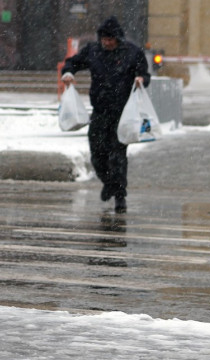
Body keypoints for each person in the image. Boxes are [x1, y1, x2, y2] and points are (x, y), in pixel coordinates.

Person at [61, 16, 150, 214]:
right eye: (104, 39)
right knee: (97, 155)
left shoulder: (132, 53)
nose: (107, 43)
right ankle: (109, 183)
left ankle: (120, 196)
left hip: (122, 114)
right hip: (100, 112)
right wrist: (68, 73)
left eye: (110, 40)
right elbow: (72, 63)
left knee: (118, 156)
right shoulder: (93, 51)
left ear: (118, 39)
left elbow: (145, 74)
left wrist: (141, 79)